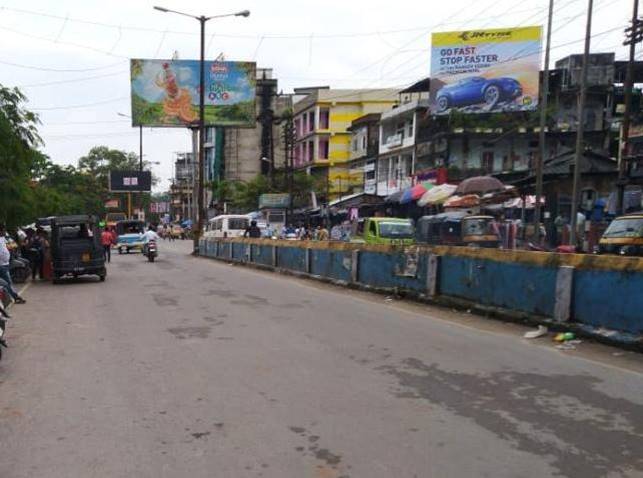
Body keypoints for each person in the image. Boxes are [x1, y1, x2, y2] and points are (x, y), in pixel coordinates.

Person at [0, 224, 26, 304]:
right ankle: (15, 297)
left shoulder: (3, 238)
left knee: (5, 283)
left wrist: (12, 246)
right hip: (1, 265)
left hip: (6, 263)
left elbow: (12, 245)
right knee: (7, 282)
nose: (5, 232)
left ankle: (10, 298)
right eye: (3, 230)